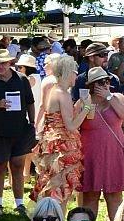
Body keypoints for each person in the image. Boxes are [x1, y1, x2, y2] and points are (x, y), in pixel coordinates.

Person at [76, 66, 124, 221]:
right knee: (90, 195)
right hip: (90, 154)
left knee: (114, 194)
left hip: (113, 152)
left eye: (106, 80)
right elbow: (74, 124)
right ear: (91, 85)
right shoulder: (84, 101)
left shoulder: (117, 97)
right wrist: (85, 107)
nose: (105, 84)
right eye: (100, 82)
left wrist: (109, 97)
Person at [32, 54, 86, 204]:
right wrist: (87, 109)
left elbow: (64, 116)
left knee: (57, 186)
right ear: (68, 73)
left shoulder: (55, 91)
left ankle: (56, 220)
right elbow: (71, 125)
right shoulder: (62, 93)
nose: (76, 78)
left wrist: (79, 105)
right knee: (60, 188)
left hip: (54, 141)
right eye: (74, 74)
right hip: (61, 145)